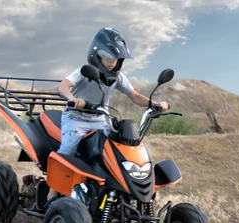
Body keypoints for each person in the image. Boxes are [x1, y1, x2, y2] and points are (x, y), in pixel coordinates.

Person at [47, 27, 170, 200]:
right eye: (107, 56)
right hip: (76, 118)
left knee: (117, 148)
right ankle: (51, 194)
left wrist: (154, 104)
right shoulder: (85, 70)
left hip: (100, 119)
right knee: (68, 149)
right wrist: (73, 98)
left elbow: (134, 96)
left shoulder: (117, 77)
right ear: (97, 55)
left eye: (116, 58)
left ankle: (108, 189)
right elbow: (63, 86)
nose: (112, 61)